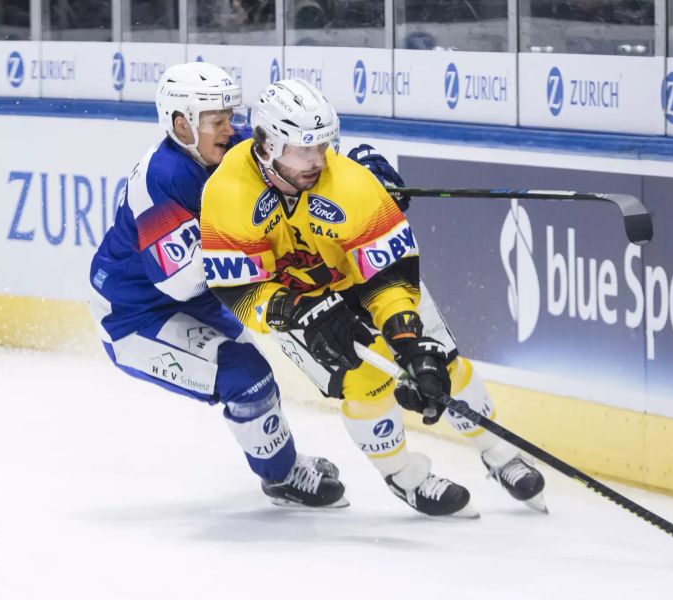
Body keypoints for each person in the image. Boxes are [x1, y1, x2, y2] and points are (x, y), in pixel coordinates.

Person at [199, 77, 546, 517]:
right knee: (366, 384)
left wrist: (406, 340)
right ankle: (406, 478)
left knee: (439, 362)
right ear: (266, 145)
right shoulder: (227, 193)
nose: (315, 161)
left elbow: (388, 275)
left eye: (322, 147)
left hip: (357, 280)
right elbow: (240, 288)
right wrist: (298, 312)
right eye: (302, 149)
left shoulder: (350, 184)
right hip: (293, 304)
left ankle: (501, 452)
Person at [89, 63, 347, 509]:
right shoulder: (160, 179)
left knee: (266, 365)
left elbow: (299, 155)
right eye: (217, 122)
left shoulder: (231, 145)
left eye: (230, 117)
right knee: (245, 377)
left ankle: (282, 462)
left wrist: (359, 171)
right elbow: (181, 282)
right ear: (181, 123)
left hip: (196, 301)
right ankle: (282, 477)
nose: (231, 130)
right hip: (135, 318)